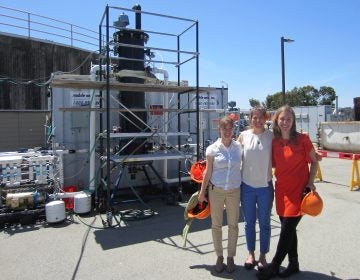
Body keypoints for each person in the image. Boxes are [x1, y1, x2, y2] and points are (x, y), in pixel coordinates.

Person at [256, 105, 319, 280]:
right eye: (282, 119)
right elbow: (273, 163)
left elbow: (314, 162)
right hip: (281, 191)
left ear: (293, 122)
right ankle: (294, 264)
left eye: (288, 119)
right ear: (277, 120)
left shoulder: (303, 139)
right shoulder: (274, 142)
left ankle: (274, 266)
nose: (285, 122)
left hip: (299, 192)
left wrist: (310, 183)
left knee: (286, 230)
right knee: (289, 230)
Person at [198, 116, 242, 274]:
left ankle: (230, 257)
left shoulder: (239, 147)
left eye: (230, 129)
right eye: (225, 129)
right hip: (216, 191)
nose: (228, 132)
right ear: (219, 130)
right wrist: (202, 192)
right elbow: (208, 172)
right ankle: (219, 256)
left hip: (234, 190)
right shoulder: (212, 149)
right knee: (216, 225)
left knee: (233, 225)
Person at [237, 106, 274, 271]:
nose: (257, 120)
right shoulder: (243, 136)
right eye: (254, 117)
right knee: (249, 223)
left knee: (265, 223)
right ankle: (250, 254)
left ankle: (263, 256)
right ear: (250, 119)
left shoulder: (272, 136)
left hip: (265, 187)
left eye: (261, 117)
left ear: (265, 118)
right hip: (247, 187)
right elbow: (231, 153)